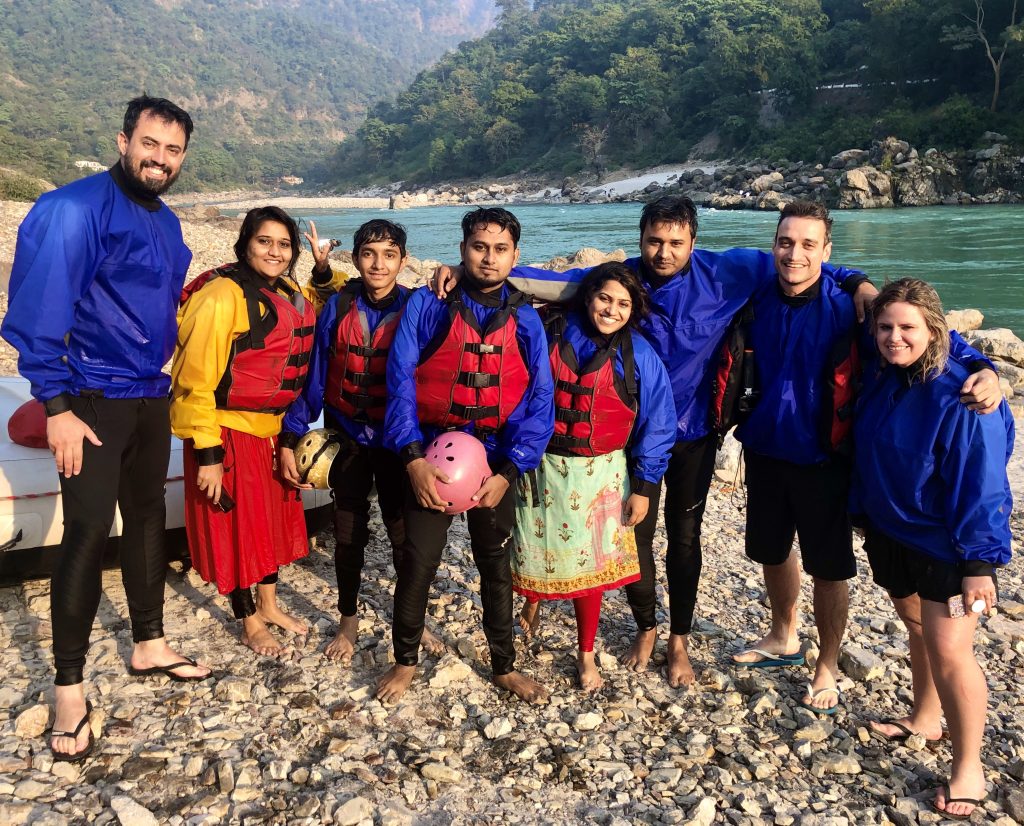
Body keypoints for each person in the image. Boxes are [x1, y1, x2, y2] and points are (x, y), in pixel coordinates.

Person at [433, 196, 877, 686]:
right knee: (635, 536)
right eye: (654, 242)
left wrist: (859, 282)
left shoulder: (731, 272)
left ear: (693, 242)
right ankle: (647, 625)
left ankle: (679, 642)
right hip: (632, 437)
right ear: (640, 239)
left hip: (695, 433)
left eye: (676, 243)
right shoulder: (620, 279)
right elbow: (547, 280)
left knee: (684, 541)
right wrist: (465, 270)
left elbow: (804, 262)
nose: (664, 252)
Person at [727, 203, 1001, 714]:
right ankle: (783, 634)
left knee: (828, 566)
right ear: (774, 245)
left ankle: (827, 664)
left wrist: (985, 368)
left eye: (810, 244)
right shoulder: (757, 294)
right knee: (770, 549)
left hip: (827, 458)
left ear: (827, 252)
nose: (795, 253)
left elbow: (926, 333)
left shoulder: (849, 306)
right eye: (787, 242)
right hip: (764, 448)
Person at [1, 96, 211, 762]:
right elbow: (39, 311)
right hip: (88, 398)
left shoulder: (167, 221)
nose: (160, 159)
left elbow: (162, 303)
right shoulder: (73, 209)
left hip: (150, 397)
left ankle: (147, 642)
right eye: (150, 144)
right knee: (88, 533)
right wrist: (56, 406)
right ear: (124, 141)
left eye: (173, 150)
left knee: (146, 519)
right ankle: (69, 687)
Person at [850, 279, 1012, 820]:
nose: (895, 337)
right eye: (886, 327)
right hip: (891, 531)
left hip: (949, 545)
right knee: (916, 627)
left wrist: (978, 564)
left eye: (908, 328)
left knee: (949, 649)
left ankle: (970, 768)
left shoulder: (964, 394)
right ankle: (925, 717)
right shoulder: (882, 373)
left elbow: (983, 484)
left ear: (934, 331)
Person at [378, 207, 554, 703]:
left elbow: (540, 399)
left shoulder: (525, 319)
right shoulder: (428, 305)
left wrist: (510, 468)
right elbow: (401, 381)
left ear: (515, 257)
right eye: (479, 247)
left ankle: (503, 666)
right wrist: (412, 458)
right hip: (432, 452)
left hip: (494, 460)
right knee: (419, 562)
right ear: (462, 251)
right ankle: (405, 660)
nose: (489, 257)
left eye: (500, 249)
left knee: (495, 568)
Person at [279, 219, 444, 662]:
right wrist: (291, 434)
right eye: (369, 254)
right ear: (354, 259)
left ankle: (414, 618)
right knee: (349, 529)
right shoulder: (337, 307)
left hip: (397, 440)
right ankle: (348, 618)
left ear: (403, 261)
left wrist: (456, 272)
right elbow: (314, 375)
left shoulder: (417, 307)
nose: (378, 263)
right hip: (347, 434)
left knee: (402, 531)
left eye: (389, 255)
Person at [511, 262, 675, 690]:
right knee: (533, 548)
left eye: (623, 304)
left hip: (600, 474)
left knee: (590, 573)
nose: (611, 310)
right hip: (542, 466)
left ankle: (585, 654)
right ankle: (533, 600)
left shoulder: (640, 356)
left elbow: (658, 426)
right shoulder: (550, 331)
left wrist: (643, 488)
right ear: (587, 297)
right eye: (604, 298)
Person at [171, 206, 317, 656]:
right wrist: (208, 456)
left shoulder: (289, 290)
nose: (275, 252)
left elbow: (318, 306)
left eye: (284, 244)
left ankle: (268, 604)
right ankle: (247, 618)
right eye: (264, 242)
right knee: (232, 529)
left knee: (268, 528)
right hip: (226, 432)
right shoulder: (220, 296)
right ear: (245, 244)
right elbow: (193, 380)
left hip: (271, 431)